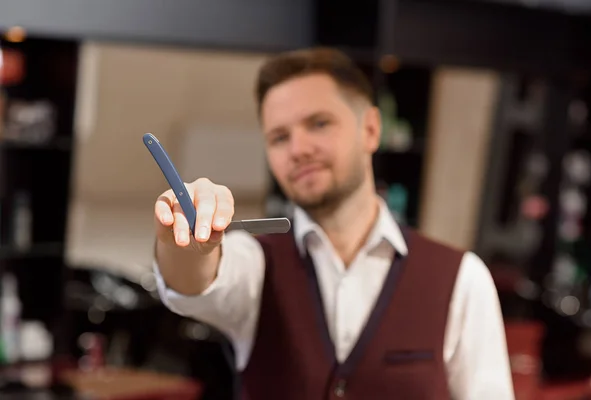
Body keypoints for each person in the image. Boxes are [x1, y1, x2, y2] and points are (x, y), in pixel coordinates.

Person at [152, 47, 514, 399]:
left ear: (371, 129)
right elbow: (195, 283)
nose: (298, 148)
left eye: (319, 123)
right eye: (280, 137)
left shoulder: (460, 279)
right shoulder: (257, 261)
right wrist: (183, 240)